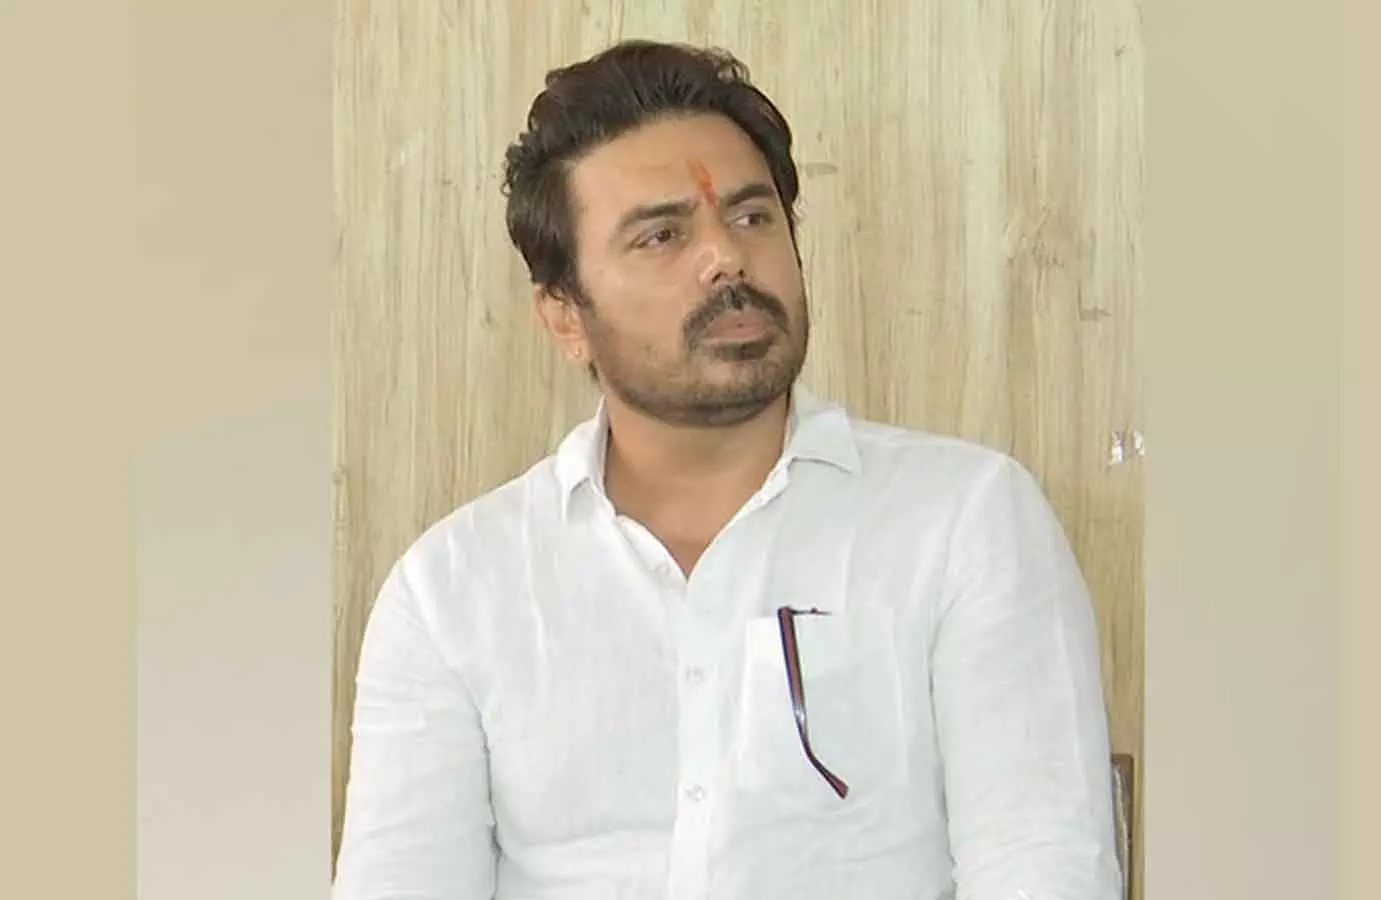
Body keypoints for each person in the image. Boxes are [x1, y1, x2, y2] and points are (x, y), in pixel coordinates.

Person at [333, 38, 1122, 900]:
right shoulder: (452, 593)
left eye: (751, 218)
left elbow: (1044, 866)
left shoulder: (964, 523)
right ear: (565, 317)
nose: (727, 258)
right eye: (663, 235)